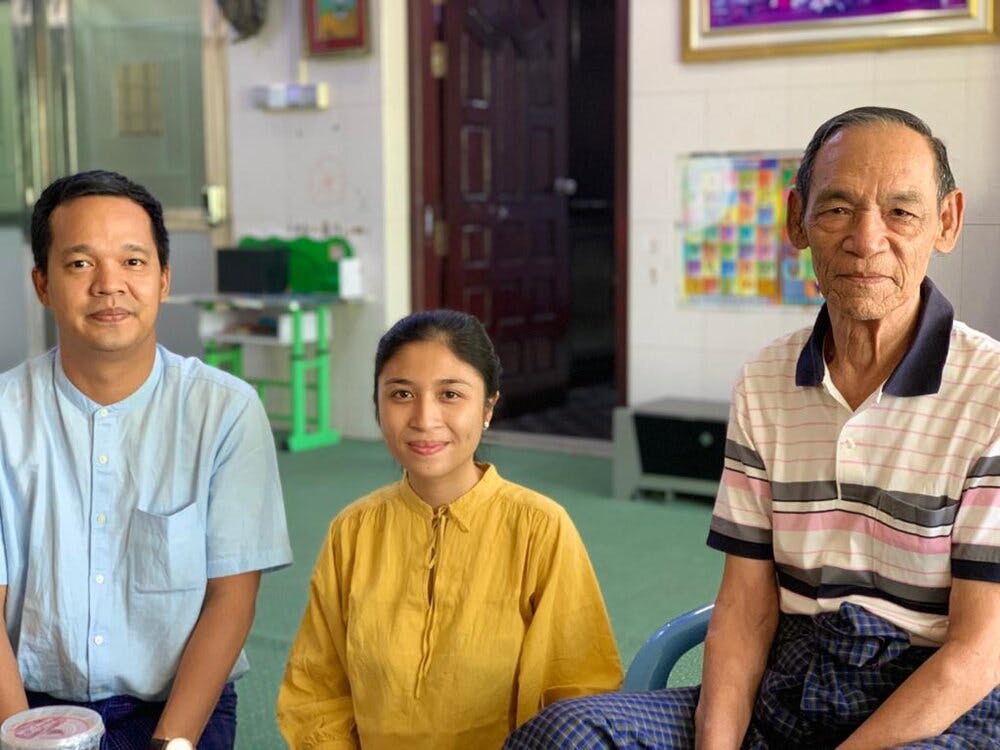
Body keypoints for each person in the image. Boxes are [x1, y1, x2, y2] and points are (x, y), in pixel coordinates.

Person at [505, 107, 1000, 749]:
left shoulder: (989, 391)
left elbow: (977, 652)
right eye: (838, 209)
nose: (866, 239)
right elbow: (745, 606)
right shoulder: (766, 381)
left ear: (947, 221)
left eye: (901, 212)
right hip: (791, 685)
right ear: (798, 220)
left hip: (932, 707)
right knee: (569, 734)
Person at [0, 170, 293, 749]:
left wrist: (172, 742)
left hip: (179, 704)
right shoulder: (3, 415)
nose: (110, 285)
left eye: (133, 262)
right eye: (80, 263)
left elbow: (231, 598)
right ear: (41, 282)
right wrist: (23, 736)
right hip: (26, 701)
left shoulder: (226, 411)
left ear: (163, 279)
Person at [276, 309, 622, 749]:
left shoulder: (540, 529)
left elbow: (579, 694)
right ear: (377, 406)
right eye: (401, 394)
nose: (424, 418)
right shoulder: (354, 530)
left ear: (488, 407)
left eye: (450, 395)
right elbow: (316, 691)